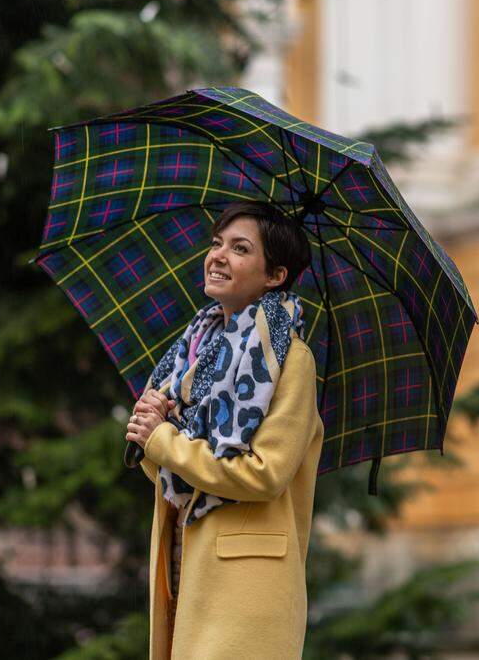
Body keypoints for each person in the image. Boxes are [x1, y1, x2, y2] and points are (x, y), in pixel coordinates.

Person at [125, 200, 323, 659]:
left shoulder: (291, 360)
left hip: (245, 587)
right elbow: (181, 479)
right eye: (217, 243)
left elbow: (263, 474)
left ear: (275, 275)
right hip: (183, 563)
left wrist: (164, 440)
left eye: (239, 248)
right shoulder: (194, 353)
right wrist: (150, 434)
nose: (218, 256)